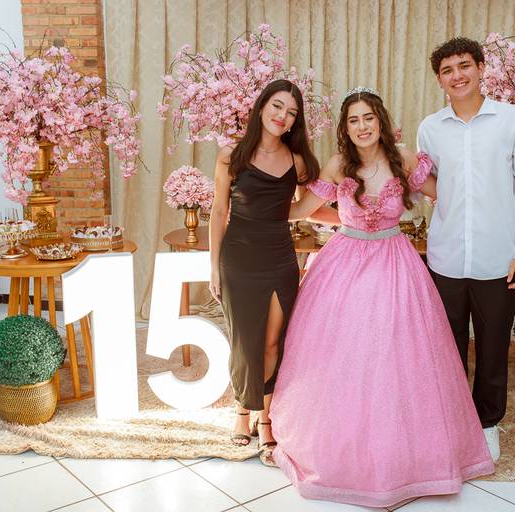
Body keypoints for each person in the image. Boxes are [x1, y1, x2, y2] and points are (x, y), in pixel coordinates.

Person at [269, 87, 494, 508]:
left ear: (381, 121)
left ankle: (408, 454)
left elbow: (446, 194)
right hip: (344, 262)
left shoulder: (404, 160)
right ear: (345, 128)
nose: (362, 127)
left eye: (368, 118)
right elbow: (301, 210)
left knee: (398, 353)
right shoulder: (338, 165)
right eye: (353, 120)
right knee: (344, 353)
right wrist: (255, 193)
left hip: (394, 261)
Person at [417, 37, 515, 462]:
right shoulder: (430, 128)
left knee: (492, 347)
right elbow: (429, 184)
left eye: (464, 66)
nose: (457, 75)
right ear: (440, 80)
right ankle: (453, 423)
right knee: (447, 347)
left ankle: (488, 423)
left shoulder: (514, 121)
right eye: (447, 70)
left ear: (481, 68)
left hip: (498, 258)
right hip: (446, 257)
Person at [209, 79, 320, 466]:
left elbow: (308, 206)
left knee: (273, 343)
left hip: (279, 259)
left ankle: (266, 418)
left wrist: (355, 214)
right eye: (277, 106)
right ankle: (242, 410)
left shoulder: (298, 161)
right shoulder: (231, 156)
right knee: (244, 343)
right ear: (261, 108)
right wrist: (213, 267)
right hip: (238, 259)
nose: (282, 116)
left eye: (291, 112)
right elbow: (218, 212)